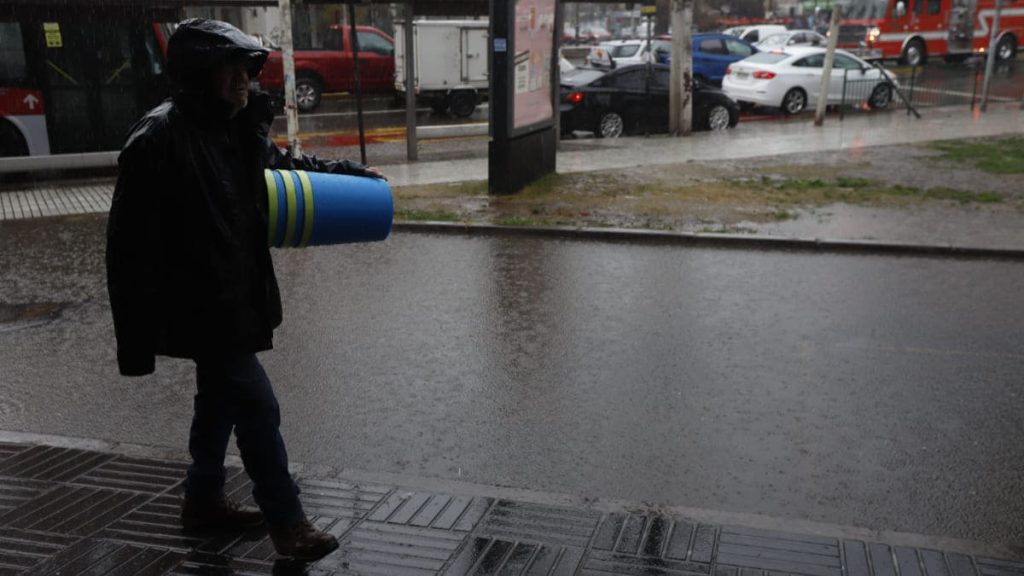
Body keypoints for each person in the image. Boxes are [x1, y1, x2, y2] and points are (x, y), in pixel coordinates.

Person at [106, 19, 384, 560]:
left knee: (219, 401)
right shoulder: (157, 138)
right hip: (201, 306)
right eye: (230, 68)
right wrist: (135, 337)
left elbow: (285, 170)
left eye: (247, 68)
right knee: (257, 407)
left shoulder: (235, 127)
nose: (243, 79)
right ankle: (287, 522)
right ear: (197, 74)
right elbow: (128, 247)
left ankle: (202, 501)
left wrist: (351, 177)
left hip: (236, 296)